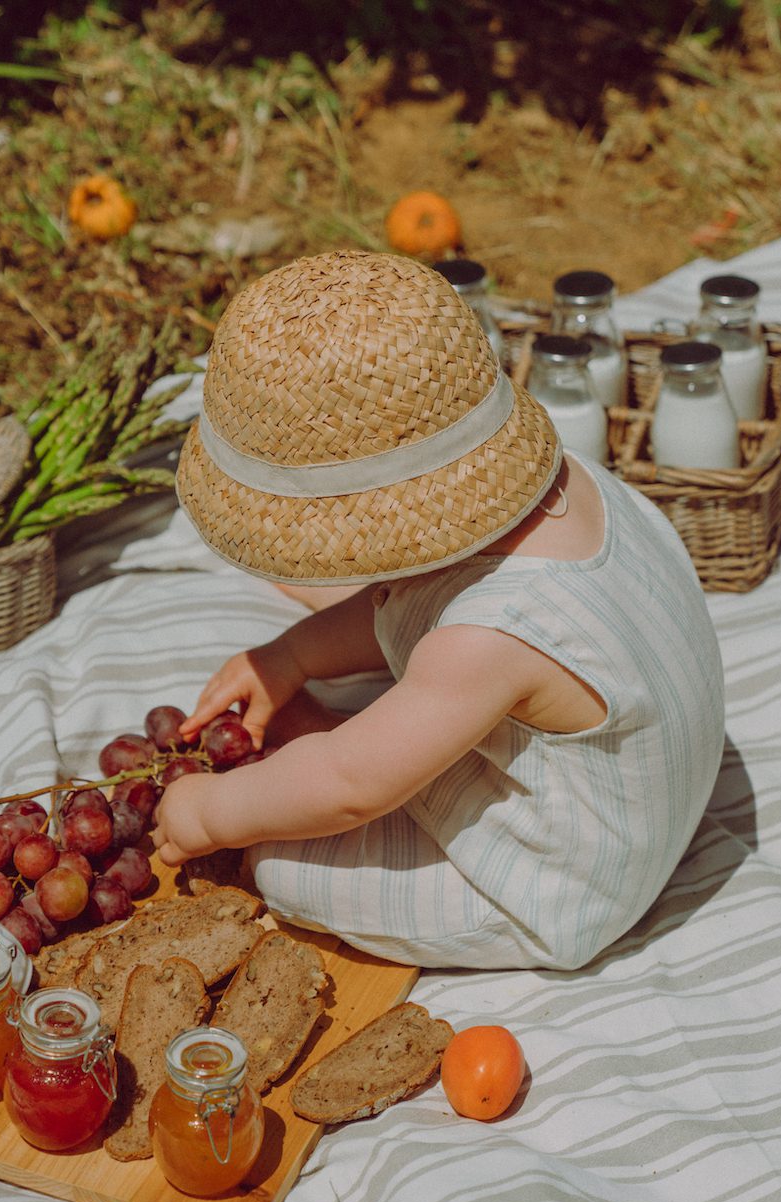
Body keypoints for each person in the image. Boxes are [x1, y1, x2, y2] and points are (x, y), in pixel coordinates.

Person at [151, 250, 725, 970]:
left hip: (574, 883)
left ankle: (346, 775)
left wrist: (207, 812)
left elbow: (351, 787)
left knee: (280, 865)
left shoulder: (487, 638)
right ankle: (357, 743)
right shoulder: (566, 480)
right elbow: (406, 599)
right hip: (648, 793)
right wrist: (291, 654)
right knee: (359, 733)